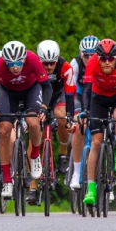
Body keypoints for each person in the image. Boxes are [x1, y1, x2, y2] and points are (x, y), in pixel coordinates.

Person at [0, 41, 52, 199]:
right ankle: (7, 180)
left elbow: (47, 86)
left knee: (33, 122)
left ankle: (35, 157)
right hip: (8, 93)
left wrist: (44, 107)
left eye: (19, 62)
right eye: (10, 64)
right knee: (4, 130)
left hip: (31, 90)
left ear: (24, 59)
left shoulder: (32, 59)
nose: (15, 67)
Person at [79, 38, 116, 206]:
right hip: (98, 98)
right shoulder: (92, 64)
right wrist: (86, 112)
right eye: (104, 59)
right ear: (98, 57)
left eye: (111, 59)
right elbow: (87, 90)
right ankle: (91, 190)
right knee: (95, 142)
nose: (107, 62)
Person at [27, 40, 76, 204]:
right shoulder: (32, 66)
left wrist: (69, 117)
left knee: (60, 115)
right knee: (33, 138)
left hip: (57, 96)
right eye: (45, 63)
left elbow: (69, 96)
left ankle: (63, 153)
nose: (48, 67)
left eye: (52, 63)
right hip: (39, 97)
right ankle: (32, 187)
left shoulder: (66, 68)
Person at [70, 35, 99, 119]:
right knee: (77, 118)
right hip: (79, 94)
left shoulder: (103, 64)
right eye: (86, 56)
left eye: (92, 55)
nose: (89, 59)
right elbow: (71, 87)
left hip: (96, 95)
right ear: (81, 54)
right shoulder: (76, 63)